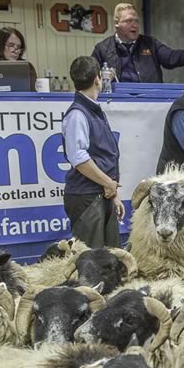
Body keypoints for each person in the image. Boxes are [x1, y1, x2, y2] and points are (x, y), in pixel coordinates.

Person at [62, 56, 124, 249]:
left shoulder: (92, 110)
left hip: (101, 193)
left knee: (111, 256)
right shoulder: (78, 114)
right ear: (98, 79)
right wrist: (108, 183)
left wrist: (112, 193)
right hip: (87, 196)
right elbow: (79, 159)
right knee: (90, 258)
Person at [92, 3, 184, 83]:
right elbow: (90, 75)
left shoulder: (151, 44)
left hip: (149, 101)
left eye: (136, 21)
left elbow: (171, 58)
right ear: (117, 24)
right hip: (116, 102)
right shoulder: (102, 48)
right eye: (129, 21)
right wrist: (102, 77)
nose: (134, 25)